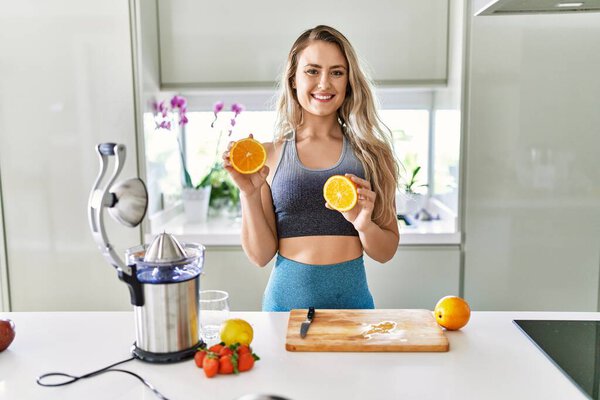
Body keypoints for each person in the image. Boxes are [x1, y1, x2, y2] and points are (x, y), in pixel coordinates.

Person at [223, 25, 399, 312]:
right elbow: (260, 255)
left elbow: (386, 251)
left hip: (353, 311)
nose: (324, 83)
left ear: (349, 81)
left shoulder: (373, 154)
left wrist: (363, 224)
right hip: (284, 310)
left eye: (337, 72)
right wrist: (249, 194)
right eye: (312, 71)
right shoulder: (269, 154)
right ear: (293, 79)